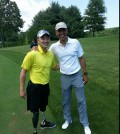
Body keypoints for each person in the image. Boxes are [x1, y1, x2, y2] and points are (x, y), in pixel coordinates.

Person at [49, 22, 91, 134]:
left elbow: (81, 58)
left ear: (67, 31)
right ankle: (68, 120)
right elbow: (46, 56)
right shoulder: (53, 47)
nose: (62, 32)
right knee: (65, 101)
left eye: (63, 30)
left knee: (81, 101)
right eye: (59, 30)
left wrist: (85, 74)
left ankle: (85, 124)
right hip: (64, 77)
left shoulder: (75, 42)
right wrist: (34, 48)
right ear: (56, 33)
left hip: (77, 75)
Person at [20, 30, 58, 134]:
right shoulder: (32, 54)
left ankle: (44, 122)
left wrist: (68, 62)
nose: (45, 40)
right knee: (35, 112)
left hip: (45, 86)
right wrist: (22, 90)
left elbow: (55, 67)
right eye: (43, 38)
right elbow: (23, 71)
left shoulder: (50, 54)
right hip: (34, 88)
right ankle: (35, 131)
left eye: (47, 38)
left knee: (43, 106)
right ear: (38, 40)